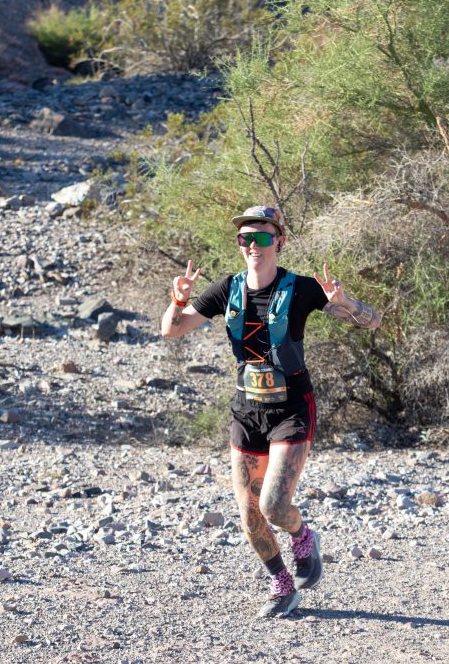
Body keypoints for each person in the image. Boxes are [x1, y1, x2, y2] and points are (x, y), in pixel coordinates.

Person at [160, 205, 382, 618]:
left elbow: (373, 322)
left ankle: (303, 537)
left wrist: (345, 301)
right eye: (245, 238)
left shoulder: (300, 288)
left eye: (262, 237)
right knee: (249, 516)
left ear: (279, 241)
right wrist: (179, 298)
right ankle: (281, 584)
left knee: (275, 507)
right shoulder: (226, 290)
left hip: (291, 407)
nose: (253, 245)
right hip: (247, 410)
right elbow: (171, 329)